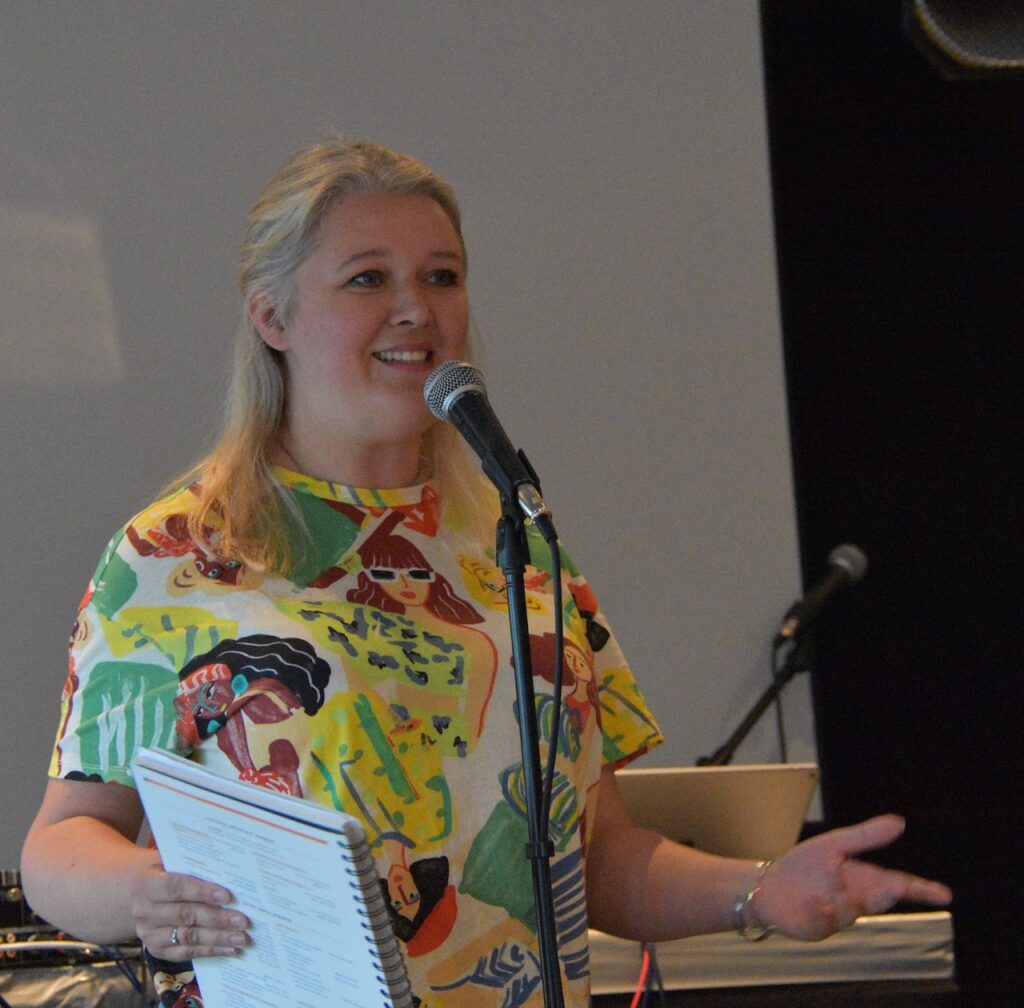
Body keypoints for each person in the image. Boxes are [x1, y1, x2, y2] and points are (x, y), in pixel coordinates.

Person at [21, 136, 951, 1008]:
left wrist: (760, 893)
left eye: (442, 277)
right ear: (272, 315)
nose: (416, 308)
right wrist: (150, 891)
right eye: (367, 279)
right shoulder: (179, 552)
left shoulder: (517, 544)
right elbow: (60, 848)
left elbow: (596, 858)